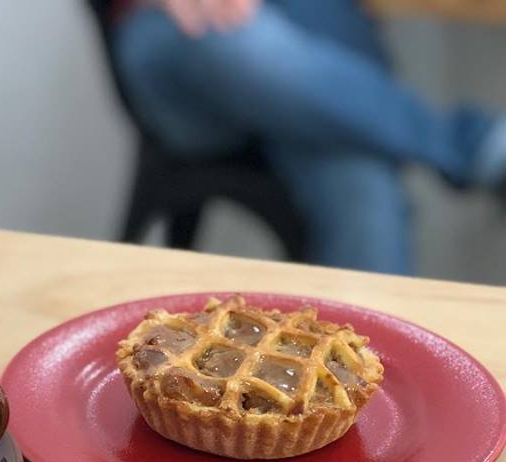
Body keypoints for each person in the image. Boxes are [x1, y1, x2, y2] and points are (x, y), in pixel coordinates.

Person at [110, 0, 506, 274]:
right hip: (185, 47)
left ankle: (350, 364)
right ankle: (470, 146)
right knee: (237, 43)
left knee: (363, 186)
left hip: (313, 64)